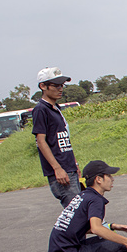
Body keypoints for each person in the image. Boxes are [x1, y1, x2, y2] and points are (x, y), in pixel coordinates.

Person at [33, 67, 80, 207]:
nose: (60, 89)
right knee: (76, 213)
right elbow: (41, 141)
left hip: (69, 168)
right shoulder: (41, 109)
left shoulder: (56, 108)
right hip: (61, 171)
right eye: (56, 85)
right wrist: (57, 168)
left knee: (79, 212)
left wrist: (75, 164)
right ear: (43, 86)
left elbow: (65, 140)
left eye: (62, 85)